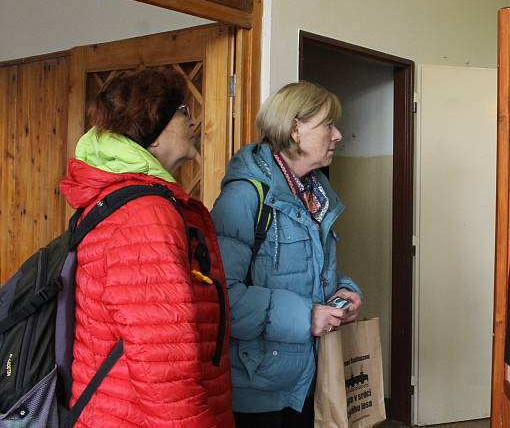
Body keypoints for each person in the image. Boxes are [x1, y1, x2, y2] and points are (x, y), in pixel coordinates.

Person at [59, 69, 234, 427]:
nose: (193, 120)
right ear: (153, 136)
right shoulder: (146, 215)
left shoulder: (130, 200)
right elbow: (162, 363)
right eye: (183, 111)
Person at [212, 81, 363, 427]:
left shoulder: (317, 193)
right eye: (328, 124)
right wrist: (306, 316)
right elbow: (223, 297)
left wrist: (344, 290)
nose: (338, 134)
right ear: (295, 129)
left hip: (309, 380)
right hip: (258, 390)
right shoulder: (243, 198)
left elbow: (310, 272)